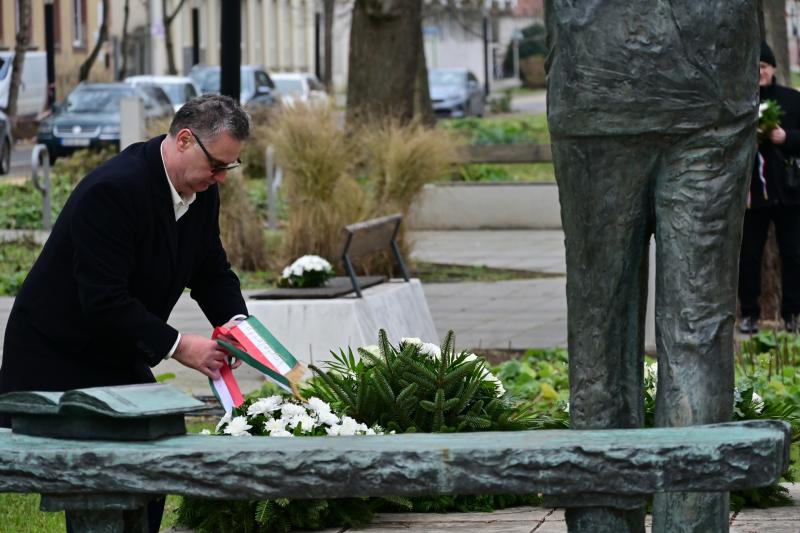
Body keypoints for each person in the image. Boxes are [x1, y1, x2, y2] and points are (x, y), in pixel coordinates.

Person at [545, 1, 758, 532]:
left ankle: (601, 524)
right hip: (710, 78)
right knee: (697, 333)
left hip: (596, 73)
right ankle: (691, 524)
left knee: (599, 328)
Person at [0, 94, 251, 532]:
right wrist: (179, 345)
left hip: (116, 350)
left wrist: (237, 325)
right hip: (54, 356)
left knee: (151, 464)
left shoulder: (199, 189)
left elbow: (210, 269)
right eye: (217, 165)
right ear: (185, 140)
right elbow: (103, 300)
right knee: (97, 477)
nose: (221, 178)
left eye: (229, 167)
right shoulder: (113, 190)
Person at [738, 42, 800, 334]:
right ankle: (749, 314)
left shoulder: (792, 100)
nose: (760, 72)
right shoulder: (740, 101)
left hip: (788, 192)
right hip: (753, 193)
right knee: (749, 255)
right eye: (755, 68)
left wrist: (785, 137)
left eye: (763, 67)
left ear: (773, 68)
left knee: (794, 254)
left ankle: (793, 314)